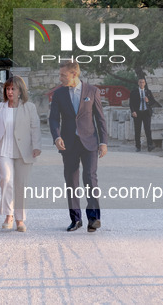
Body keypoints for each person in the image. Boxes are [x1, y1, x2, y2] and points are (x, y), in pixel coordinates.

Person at [49, 61, 108, 233]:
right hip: (68, 144)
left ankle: (94, 218)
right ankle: (75, 220)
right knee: (71, 182)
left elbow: (100, 118)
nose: (60, 78)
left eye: (63, 75)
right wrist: (57, 136)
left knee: (90, 178)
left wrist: (103, 142)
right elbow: (53, 118)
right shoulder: (58, 94)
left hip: (89, 142)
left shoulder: (92, 91)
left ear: (74, 74)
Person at [0, 76, 41, 232]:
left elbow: (35, 128)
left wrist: (37, 146)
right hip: (3, 149)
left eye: (13, 89)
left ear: (20, 90)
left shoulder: (29, 107)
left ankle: (20, 219)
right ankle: (8, 215)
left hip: (24, 151)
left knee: (21, 184)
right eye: (8, 89)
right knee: (6, 179)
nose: (10, 92)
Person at [129, 77, 157, 152]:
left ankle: (150, 145)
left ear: (145, 83)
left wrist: (148, 101)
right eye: (140, 82)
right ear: (138, 83)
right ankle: (138, 146)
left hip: (146, 112)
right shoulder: (134, 92)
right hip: (137, 113)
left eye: (143, 82)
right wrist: (133, 111)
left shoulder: (148, 92)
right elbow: (131, 103)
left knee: (147, 129)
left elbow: (153, 102)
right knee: (137, 130)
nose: (142, 84)